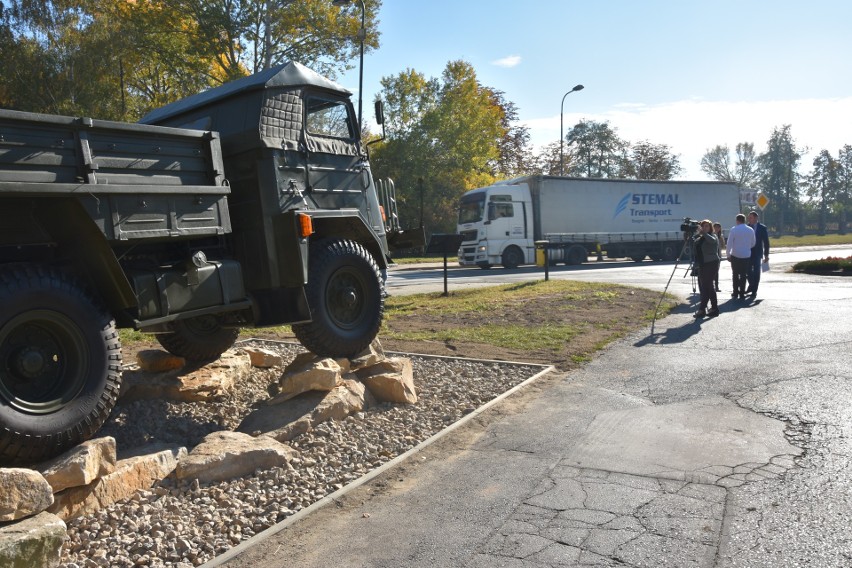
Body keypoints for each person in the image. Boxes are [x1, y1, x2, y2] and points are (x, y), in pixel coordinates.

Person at [692, 219, 720, 318]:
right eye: (703, 226)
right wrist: (691, 234)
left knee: (708, 285)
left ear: (710, 227)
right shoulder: (700, 238)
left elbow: (711, 241)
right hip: (702, 264)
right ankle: (703, 309)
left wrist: (703, 233)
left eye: (707, 226)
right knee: (704, 287)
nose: (705, 228)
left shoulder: (713, 236)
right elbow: (694, 246)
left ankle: (713, 308)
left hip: (712, 263)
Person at [726, 213, 755, 300]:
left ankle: (735, 292)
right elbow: (753, 243)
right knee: (743, 274)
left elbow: (729, 243)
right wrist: (746, 248)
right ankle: (742, 292)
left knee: (735, 274)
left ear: (737, 220)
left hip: (735, 255)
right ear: (744, 220)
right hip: (746, 255)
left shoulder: (734, 229)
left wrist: (728, 254)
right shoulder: (750, 230)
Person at [746, 210, 770, 299]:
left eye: (751, 217)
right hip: (747, 253)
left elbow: (766, 242)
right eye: (748, 217)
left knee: (756, 272)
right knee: (747, 271)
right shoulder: (747, 227)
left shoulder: (762, 228)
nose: (749, 219)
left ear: (756, 218)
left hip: (757, 253)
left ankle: (754, 290)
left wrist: (766, 255)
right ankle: (751, 285)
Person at [713, 222, 726, 292]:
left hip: (718, 255)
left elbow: (723, 246)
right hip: (713, 255)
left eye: (718, 227)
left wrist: (721, 238)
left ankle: (716, 286)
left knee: (716, 271)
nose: (717, 229)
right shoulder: (712, 234)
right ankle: (712, 286)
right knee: (712, 271)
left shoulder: (720, 236)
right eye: (716, 227)